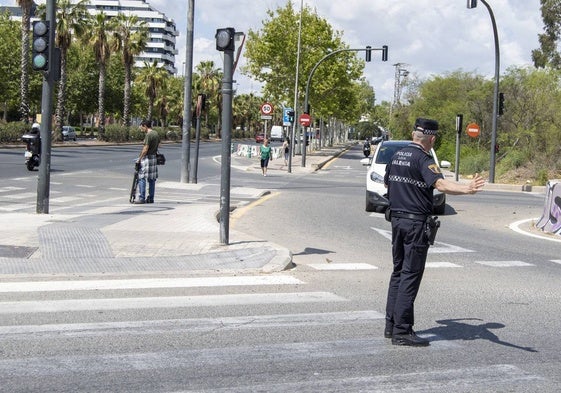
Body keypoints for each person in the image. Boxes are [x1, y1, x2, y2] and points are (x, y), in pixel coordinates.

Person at [383, 117, 485, 347]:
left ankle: (391, 326)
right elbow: (440, 185)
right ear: (432, 138)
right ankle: (402, 331)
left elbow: (388, 186)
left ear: (413, 135)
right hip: (414, 224)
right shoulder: (423, 159)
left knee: (398, 273)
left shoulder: (396, 156)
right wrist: (467, 189)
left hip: (397, 221)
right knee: (410, 275)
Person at [136, 120, 160, 204]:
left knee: (142, 177)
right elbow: (159, 145)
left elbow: (145, 149)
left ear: (145, 126)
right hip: (153, 158)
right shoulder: (156, 133)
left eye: (141, 127)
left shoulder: (148, 135)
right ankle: (151, 198)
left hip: (147, 158)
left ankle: (141, 198)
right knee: (152, 179)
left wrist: (139, 159)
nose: (141, 129)